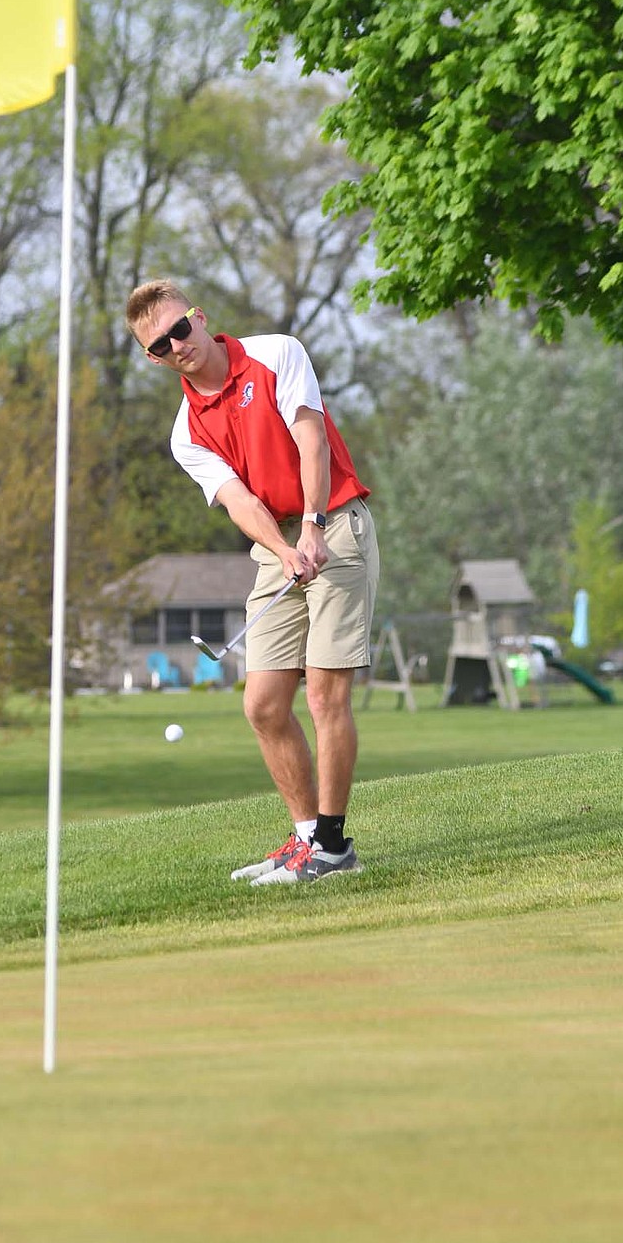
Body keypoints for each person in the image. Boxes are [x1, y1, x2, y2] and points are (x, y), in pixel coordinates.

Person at [125, 280, 379, 884]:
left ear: (199, 318)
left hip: (336, 525)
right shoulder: (186, 432)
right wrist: (285, 550)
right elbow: (238, 500)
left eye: (179, 330)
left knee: (323, 696)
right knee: (263, 705)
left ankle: (335, 848)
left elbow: (310, 440)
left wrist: (313, 528)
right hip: (278, 547)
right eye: (159, 346)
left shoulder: (276, 354)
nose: (175, 347)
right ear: (151, 358)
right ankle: (306, 840)